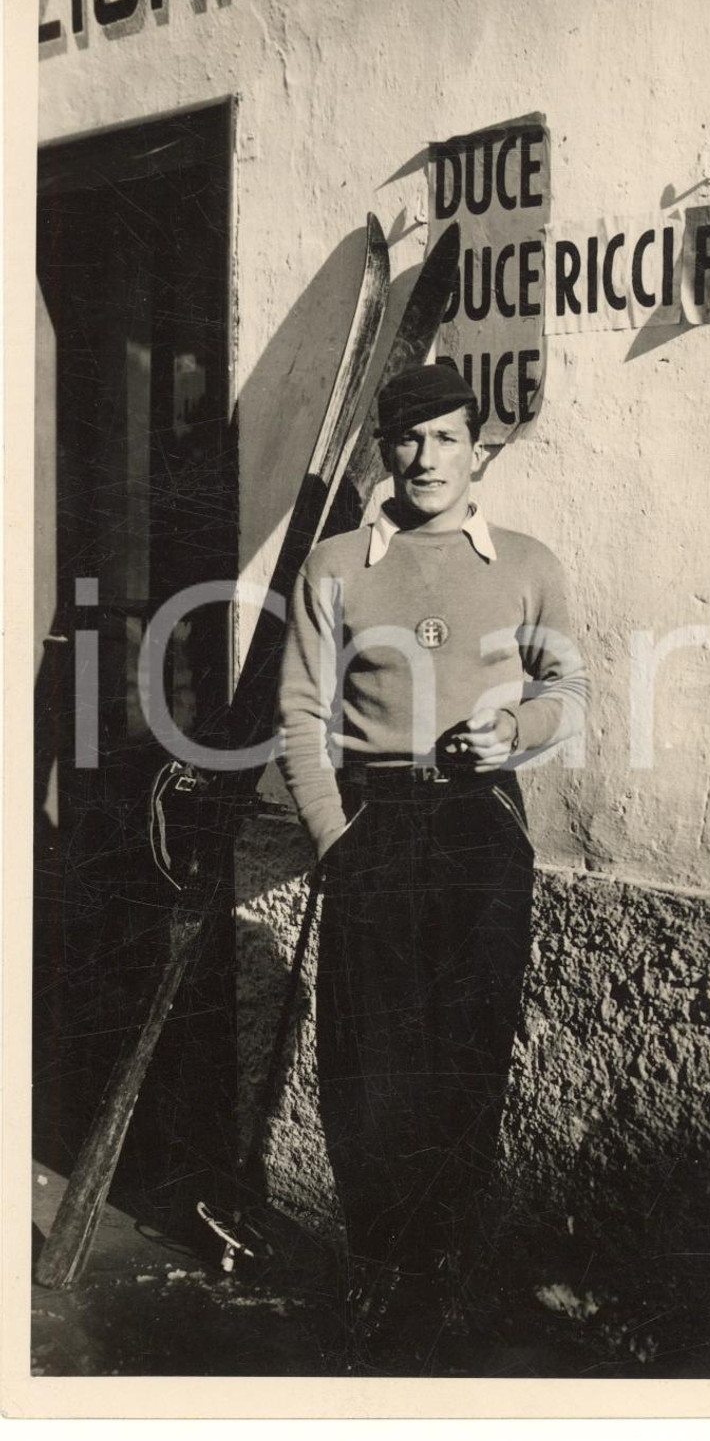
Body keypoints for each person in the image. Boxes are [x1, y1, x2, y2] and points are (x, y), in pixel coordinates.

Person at [276, 362, 587, 1368]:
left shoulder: (529, 564)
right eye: (407, 438)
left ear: (474, 450)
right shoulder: (333, 567)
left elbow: (563, 691)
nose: (425, 458)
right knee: (371, 1060)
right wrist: (335, 835)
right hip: (376, 824)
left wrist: (514, 734)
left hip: (480, 826)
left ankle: (446, 1269)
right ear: (383, 447)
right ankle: (382, 1262)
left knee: (468, 1054)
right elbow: (301, 715)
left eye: (445, 437)